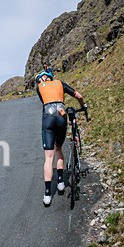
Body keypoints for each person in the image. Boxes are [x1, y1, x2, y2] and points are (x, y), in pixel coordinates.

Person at [35, 68, 86, 206]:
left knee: (49, 156)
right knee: (59, 149)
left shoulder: (39, 87)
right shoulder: (59, 83)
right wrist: (83, 106)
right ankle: (61, 183)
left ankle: (47, 194)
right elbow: (79, 96)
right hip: (61, 115)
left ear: (40, 79)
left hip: (48, 117)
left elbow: (45, 100)